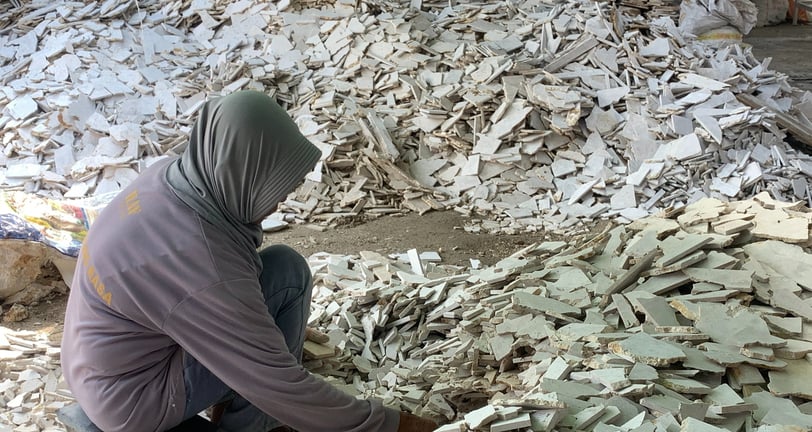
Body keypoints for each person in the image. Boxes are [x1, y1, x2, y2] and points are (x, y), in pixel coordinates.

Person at [61, 91, 438, 432]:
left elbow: (193, 290)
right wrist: (392, 425)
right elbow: (277, 385)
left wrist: (249, 326)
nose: (279, 203)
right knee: (265, 375)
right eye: (272, 187)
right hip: (130, 400)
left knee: (286, 270)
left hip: (97, 361)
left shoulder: (172, 176)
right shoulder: (197, 259)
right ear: (241, 172)